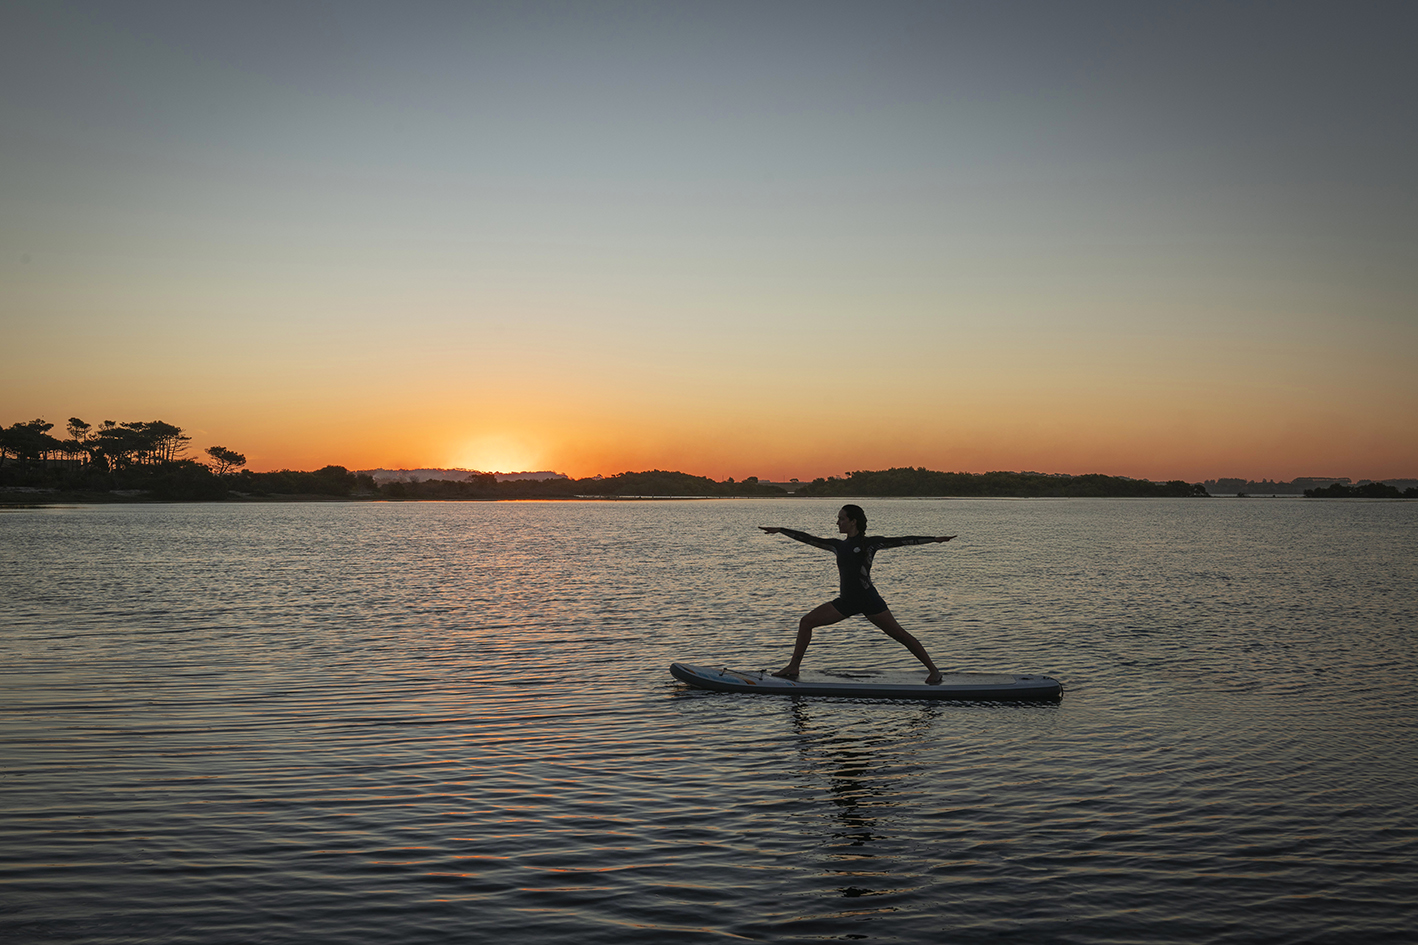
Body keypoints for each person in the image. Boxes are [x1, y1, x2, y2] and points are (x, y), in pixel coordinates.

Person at [759, 504, 954, 684]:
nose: (838, 522)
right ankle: (793, 667)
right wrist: (782, 530)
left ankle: (934, 671)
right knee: (806, 622)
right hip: (846, 602)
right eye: (838, 518)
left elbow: (902, 541)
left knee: (900, 635)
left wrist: (934, 540)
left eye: (841, 518)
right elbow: (809, 539)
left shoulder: (870, 544)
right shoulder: (838, 546)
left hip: (869, 600)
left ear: (853, 521)